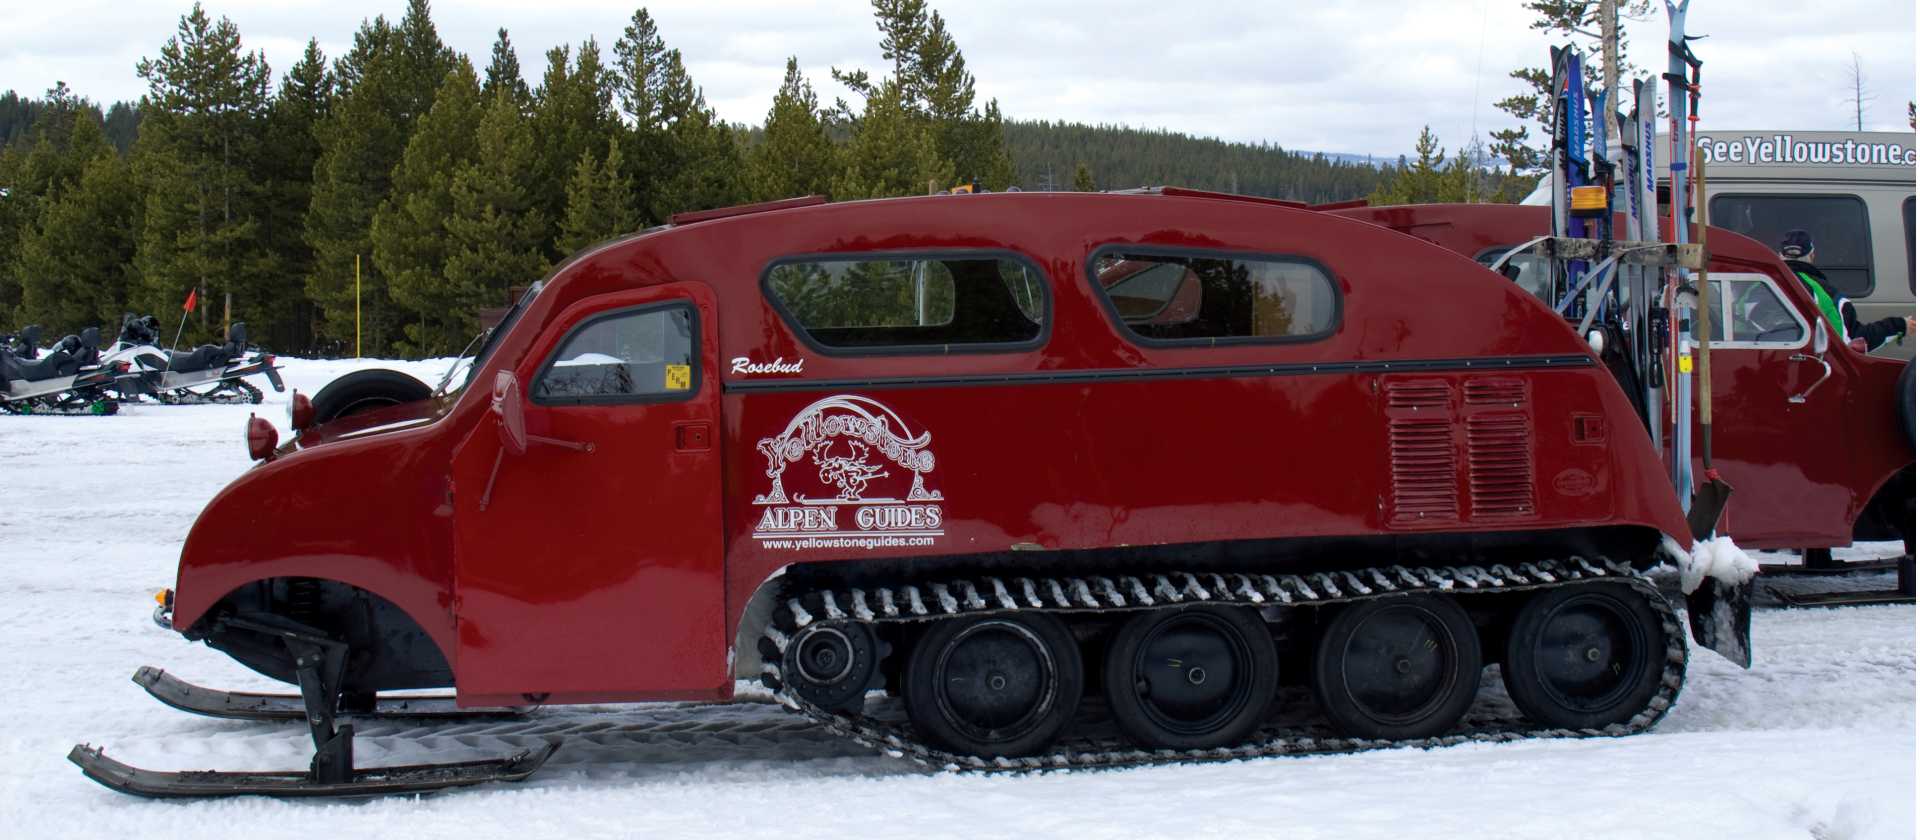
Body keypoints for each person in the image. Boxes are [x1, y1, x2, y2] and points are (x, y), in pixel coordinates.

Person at [1777, 229, 1912, 352]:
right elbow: (1848, 343)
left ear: (1779, 255)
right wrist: (1899, 325)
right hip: (1809, 371)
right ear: (1812, 255)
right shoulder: (1827, 294)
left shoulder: (1761, 286)